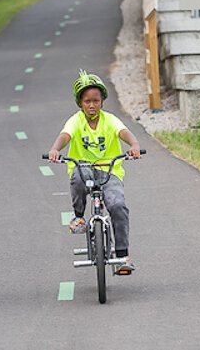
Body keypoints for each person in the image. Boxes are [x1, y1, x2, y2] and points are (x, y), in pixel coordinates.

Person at [47, 70, 141, 274]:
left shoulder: (110, 120)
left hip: (110, 170)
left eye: (96, 101)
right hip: (84, 168)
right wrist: (55, 149)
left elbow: (123, 132)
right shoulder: (76, 120)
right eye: (87, 101)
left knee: (118, 206)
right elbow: (65, 135)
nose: (91, 105)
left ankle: (122, 255)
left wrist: (133, 144)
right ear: (80, 103)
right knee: (79, 178)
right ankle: (79, 216)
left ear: (102, 101)